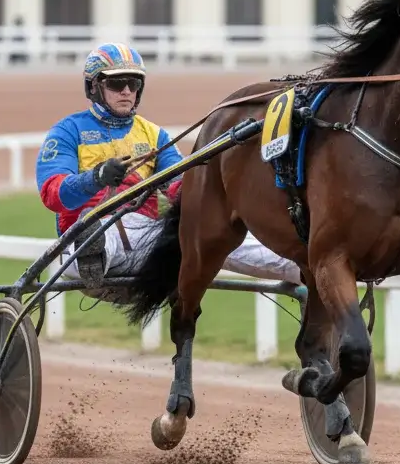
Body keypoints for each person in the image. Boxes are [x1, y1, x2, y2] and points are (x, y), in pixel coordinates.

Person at [35, 43, 303, 293]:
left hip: (147, 239)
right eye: (117, 83)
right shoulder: (68, 131)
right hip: (84, 234)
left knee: (213, 232)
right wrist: (96, 178)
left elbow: (180, 190)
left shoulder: (153, 135)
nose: (127, 91)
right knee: (96, 234)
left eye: (133, 83)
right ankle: (94, 253)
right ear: (94, 87)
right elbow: (53, 194)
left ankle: (302, 264)